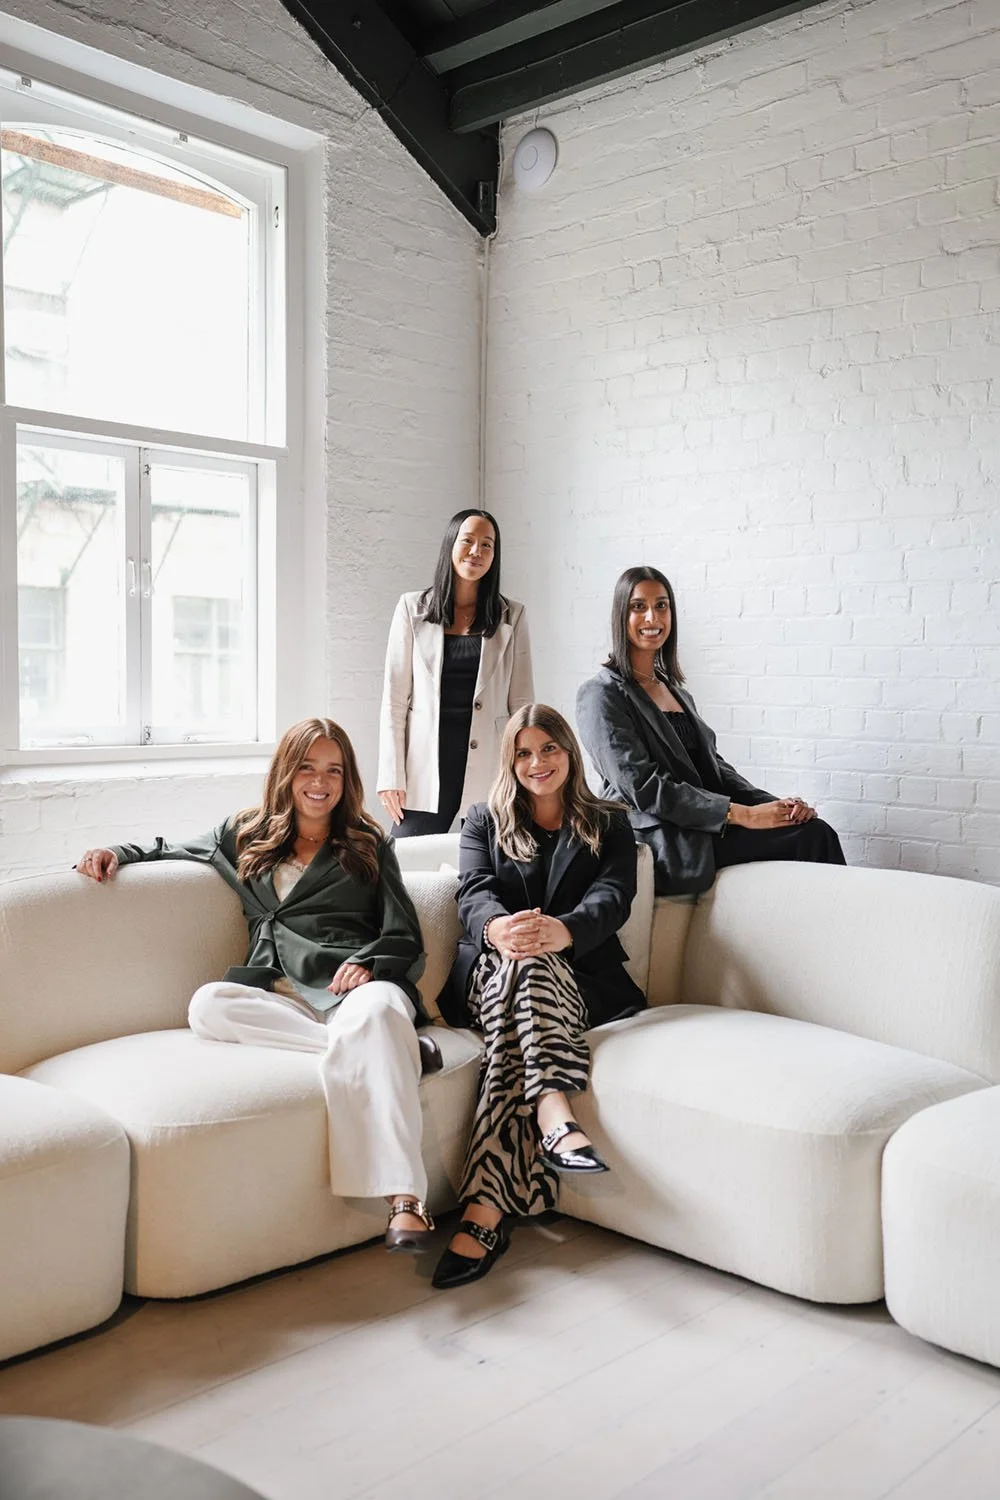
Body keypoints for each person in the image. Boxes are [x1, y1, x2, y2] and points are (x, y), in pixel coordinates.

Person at [75, 717, 436, 1254]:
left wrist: (370, 962)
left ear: (347, 778)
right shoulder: (245, 831)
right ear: (286, 772)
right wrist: (117, 853)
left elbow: (404, 931)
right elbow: (171, 848)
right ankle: (397, 1052)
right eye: (308, 768)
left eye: (334, 770)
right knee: (208, 1005)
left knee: (381, 1013)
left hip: (351, 987)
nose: (321, 781)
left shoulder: (365, 841)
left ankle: (405, 1200)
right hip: (278, 994)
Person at [432, 703, 645, 1290]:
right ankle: (553, 1110)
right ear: (510, 760)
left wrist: (566, 929)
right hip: (491, 973)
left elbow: (615, 893)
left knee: (531, 976)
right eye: (523, 752)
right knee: (523, 966)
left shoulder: (609, 822)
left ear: (568, 751)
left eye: (548, 748)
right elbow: (472, 890)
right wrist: (500, 930)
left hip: (579, 978)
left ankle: (485, 1213)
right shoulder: (483, 820)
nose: (537, 762)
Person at [576, 566, 846, 897]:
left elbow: (716, 772)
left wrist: (780, 808)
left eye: (662, 605)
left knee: (814, 829)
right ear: (621, 614)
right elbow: (643, 788)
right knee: (812, 839)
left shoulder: (675, 692)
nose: (652, 617)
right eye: (638, 606)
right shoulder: (601, 694)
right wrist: (744, 815)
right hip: (663, 836)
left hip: (705, 826)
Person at [378, 508, 534, 837]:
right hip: (425, 766)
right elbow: (394, 700)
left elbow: (522, 705)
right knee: (401, 863)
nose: (477, 551)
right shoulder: (411, 608)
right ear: (451, 544)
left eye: (487, 544)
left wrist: (526, 773)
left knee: (488, 868)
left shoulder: (512, 615)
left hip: (490, 767)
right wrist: (391, 776)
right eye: (468, 541)